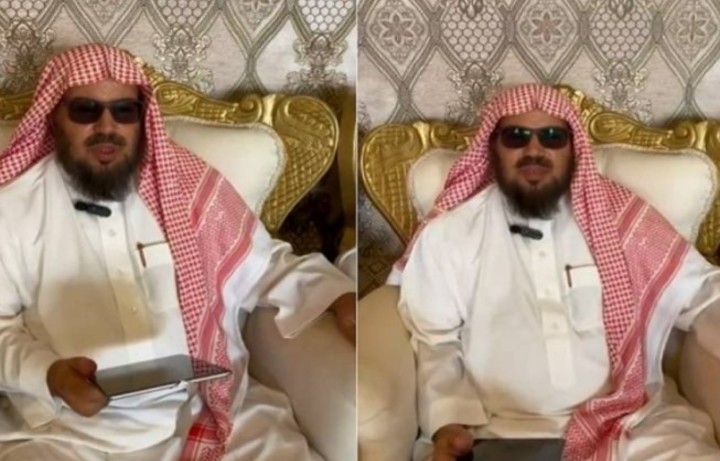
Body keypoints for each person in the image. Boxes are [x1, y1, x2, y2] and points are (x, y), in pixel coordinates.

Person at [0, 44, 356, 461]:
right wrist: (48, 375)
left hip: (202, 409)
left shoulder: (187, 187)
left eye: (124, 111)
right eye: (85, 110)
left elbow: (263, 265)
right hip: (70, 432)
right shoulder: (13, 209)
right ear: (54, 116)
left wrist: (337, 296)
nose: (107, 126)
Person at [391, 83, 720, 461]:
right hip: (503, 430)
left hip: (631, 420)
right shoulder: (451, 234)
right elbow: (435, 339)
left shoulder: (619, 218)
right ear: (492, 148)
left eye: (552, 136)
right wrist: (448, 422)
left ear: (572, 147)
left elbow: (701, 291)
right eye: (516, 137)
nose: (534, 150)